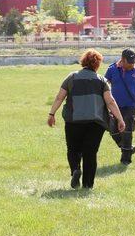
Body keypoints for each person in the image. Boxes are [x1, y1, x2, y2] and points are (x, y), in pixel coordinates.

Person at [48, 49, 126, 189]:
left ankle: (76, 170)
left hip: (73, 121)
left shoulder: (71, 77)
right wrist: (120, 119)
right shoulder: (101, 80)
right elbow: (110, 102)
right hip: (95, 122)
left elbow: (60, 97)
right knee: (90, 153)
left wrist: (51, 114)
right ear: (97, 64)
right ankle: (87, 185)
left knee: (73, 149)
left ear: (83, 61)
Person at [104, 48, 135, 165]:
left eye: (134, 62)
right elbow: (104, 87)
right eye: (130, 63)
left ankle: (125, 160)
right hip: (115, 106)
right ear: (122, 60)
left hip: (131, 105)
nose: (132, 65)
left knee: (127, 131)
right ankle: (128, 149)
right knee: (113, 129)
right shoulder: (112, 69)